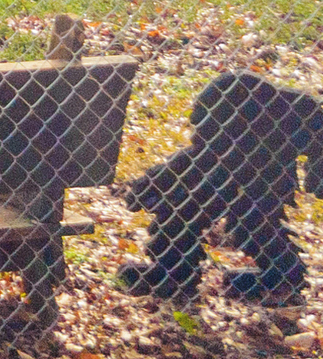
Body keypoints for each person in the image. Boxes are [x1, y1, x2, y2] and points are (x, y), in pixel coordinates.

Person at [122, 71, 323, 302]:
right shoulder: (222, 128)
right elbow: (193, 158)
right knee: (191, 207)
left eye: (198, 122)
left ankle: (280, 276)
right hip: (242, 157)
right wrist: (153, 181)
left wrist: (154, 181)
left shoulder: (256, 126)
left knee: (250, 219)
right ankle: (174, 272)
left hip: (260, 162)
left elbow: (192, 160)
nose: (194, 128)